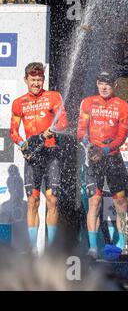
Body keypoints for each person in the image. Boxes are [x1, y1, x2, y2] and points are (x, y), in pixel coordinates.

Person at [10, 62, 68, 255]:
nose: (36, 83)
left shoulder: (53, 97)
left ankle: (51, 250)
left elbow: (63, 121)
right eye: (33, 80)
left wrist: (50, 130)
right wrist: (23, 145)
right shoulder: (19, 102)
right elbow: (13, 132)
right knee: (33, 201)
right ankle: (33, 249)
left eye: (40, 79)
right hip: (33, 156)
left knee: (52, 200)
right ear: (26, 80)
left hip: (51, 154)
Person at [77, 70, 128, 259]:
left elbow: (121, 137)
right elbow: (81, 131)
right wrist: (90, 147)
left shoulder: (123, 106)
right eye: (101, 82)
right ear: (97, 83)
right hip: (93, 159)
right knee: (95, 202)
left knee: (121, 203)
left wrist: (105, 151)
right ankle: (93, 248)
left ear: (115, 85)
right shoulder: (87, 102)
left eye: (108, 83)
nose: (104, 86)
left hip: (113, 158)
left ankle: (124, 246)